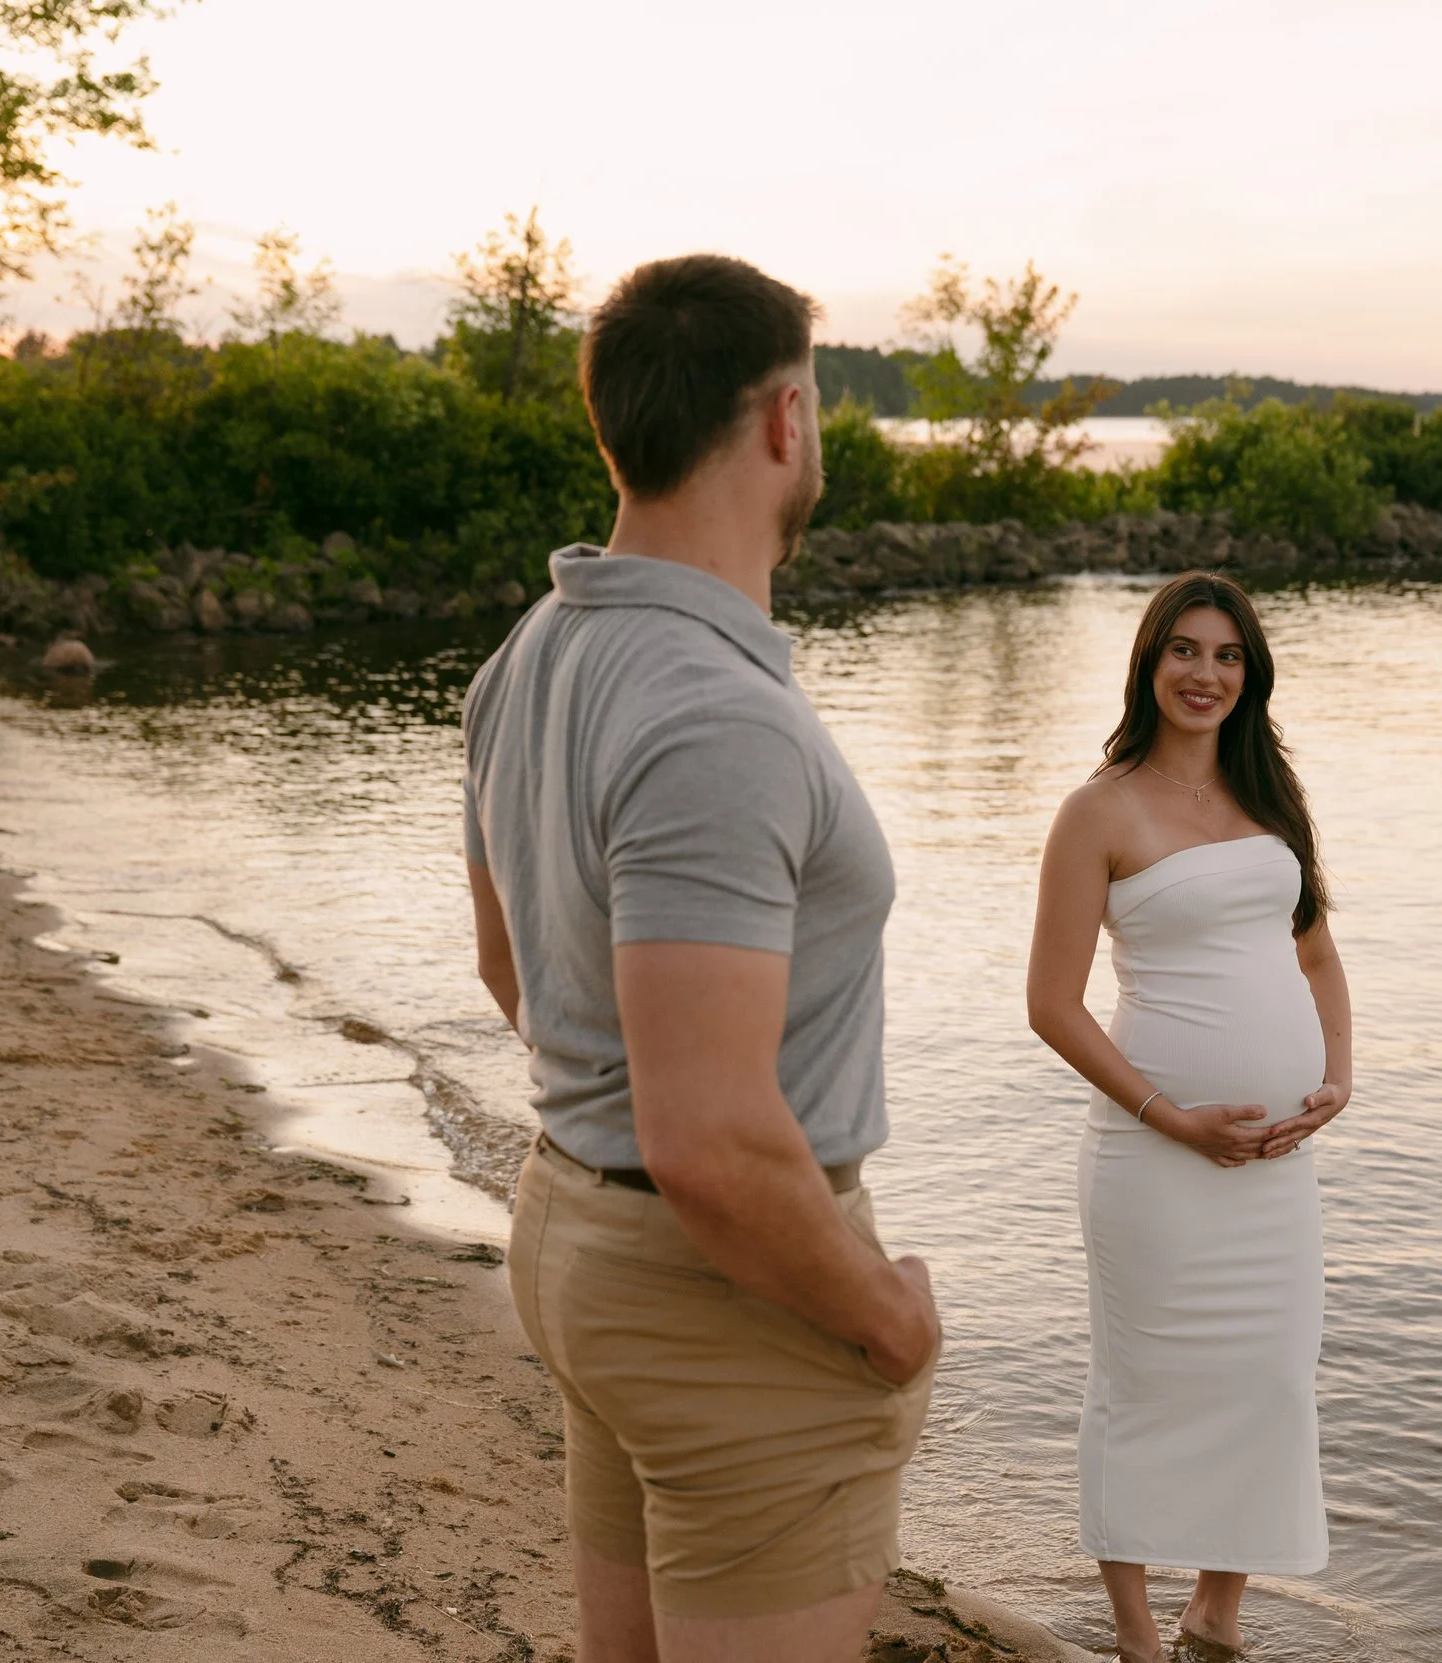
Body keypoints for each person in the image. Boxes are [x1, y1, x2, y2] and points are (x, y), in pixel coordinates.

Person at [461, 254, 941, 1663]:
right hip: (719, 1286)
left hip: (580, 1241)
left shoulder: (532, 652)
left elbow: (515, 974)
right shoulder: (713, 715)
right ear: (786, 416)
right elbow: (715, 1141)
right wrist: (887, 1316)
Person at [1025, 572, 1352, 1662]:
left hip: (1273, 1166)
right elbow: (1050, 1003)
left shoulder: (1271, 798)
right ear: (1148, 663)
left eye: (1224, 654)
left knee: (1265, 1381)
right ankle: (1135, 1636)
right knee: (1143, 1383)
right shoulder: (1099, 808)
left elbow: (1314, 950)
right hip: (1152, 1162)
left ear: (1248, 671)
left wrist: (1337, 1074)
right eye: (1183, 651)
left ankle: (1217, 1609)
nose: (1203, 673)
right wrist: (1171, 1116)